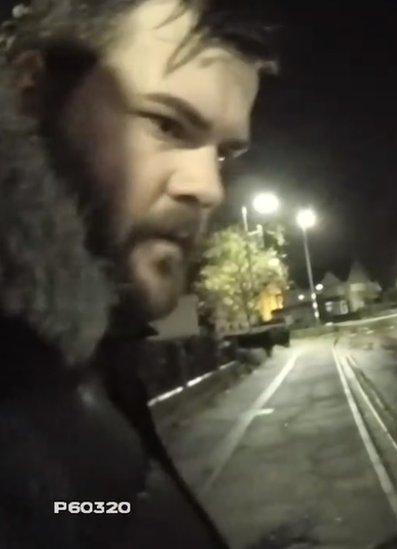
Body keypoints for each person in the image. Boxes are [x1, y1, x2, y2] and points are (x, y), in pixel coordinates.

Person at [0, 0, 274, 546]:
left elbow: (96, 509)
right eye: (167, 124)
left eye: (223, 155)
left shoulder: (70, 365)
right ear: (29, 90)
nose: (209, 189)